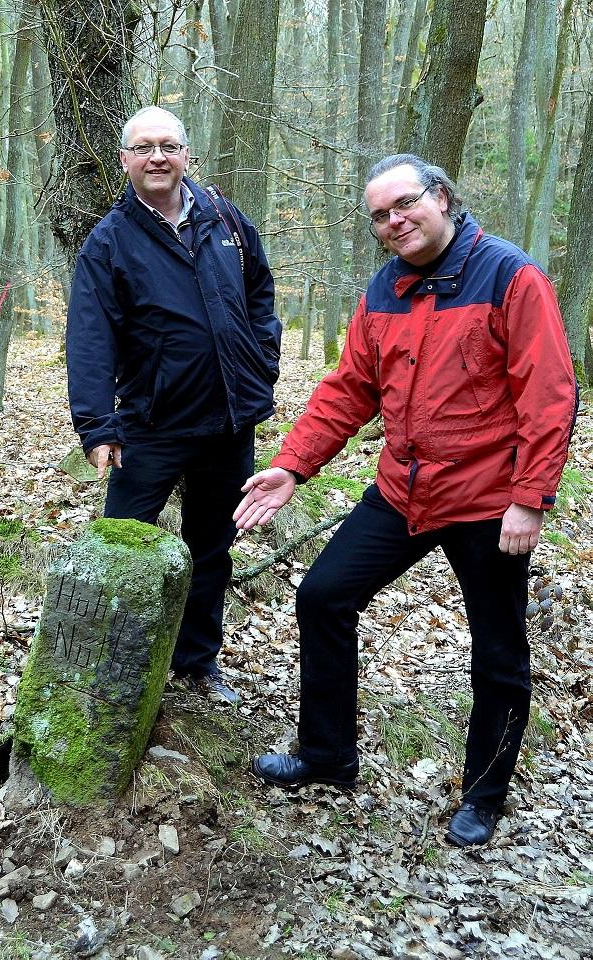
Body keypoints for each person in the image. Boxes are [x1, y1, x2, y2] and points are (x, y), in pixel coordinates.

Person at [233, 154, 577, 846]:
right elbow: (348, 389)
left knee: (498, 650)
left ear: (442, 198)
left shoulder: (511, 276)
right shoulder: (384, 288)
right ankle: (327, 756)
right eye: (380, 217)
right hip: (403, 488)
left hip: (487, 498)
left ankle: (483, 796)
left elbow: (549, 394)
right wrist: (292, 468)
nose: (394, 222)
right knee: (324, 594)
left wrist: (531, 497)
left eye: (404, 205)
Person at [66, 106, 281, 704]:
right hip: (151, 425)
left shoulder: (225, 219)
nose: (157, 157)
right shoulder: (109, 241)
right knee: (120, 545)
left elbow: (260, 292)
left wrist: (263, 357)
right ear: (126, 160)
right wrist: (97, 424)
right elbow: (90, 336)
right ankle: (103, 667)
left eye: (168, 145)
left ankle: (197, 662)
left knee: (211, 549)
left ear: (187, 153)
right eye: (144, 148)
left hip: (228, 422)